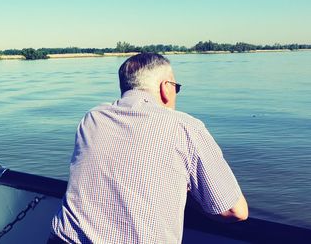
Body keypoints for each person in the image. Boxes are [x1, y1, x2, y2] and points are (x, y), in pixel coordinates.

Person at [49, 53, 248, 243]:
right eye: (175, 87)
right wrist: (190, 196)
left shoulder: (92, 118)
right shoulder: (185, 127)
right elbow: (235, 211)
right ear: (166, 88)